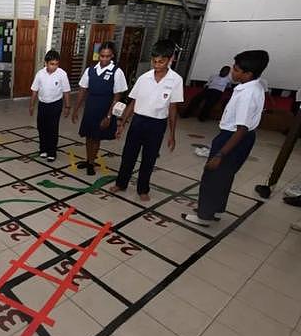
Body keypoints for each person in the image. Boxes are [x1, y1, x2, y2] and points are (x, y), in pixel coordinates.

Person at [183, 50, 270, 227]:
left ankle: (204, 215)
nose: (232, 71)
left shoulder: (247, 94)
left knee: (213, 177)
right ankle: (214, 209)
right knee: (224, 177)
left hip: (234, 138)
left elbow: (241, 128)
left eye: (236, 69)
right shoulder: (257, 86)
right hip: (240, 138)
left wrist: (220, 155)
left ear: (248, 74)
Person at [111, 40, 184, 201]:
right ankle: (121, 183)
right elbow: (133, 102)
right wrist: (122, 123)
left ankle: (143, 189)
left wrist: (172, 134)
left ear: (170, 59)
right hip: (138, 122)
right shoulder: (144, 78)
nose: (157, 65)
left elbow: (173, 108)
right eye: (154, 61)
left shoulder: (176, 80)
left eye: (161, 62)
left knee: (149, 158)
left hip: (157, 125)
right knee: (128, 155)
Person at [71, 41, 128, 175]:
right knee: (89, 136)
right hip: (91, 107)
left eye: (107, 56)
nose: (104, 59)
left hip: (104, 108)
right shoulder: (90, 70)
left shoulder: (117, 72)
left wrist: (109, 116)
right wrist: (76, 109)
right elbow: (82, 90)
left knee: (96, 137)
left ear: (112, 56)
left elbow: (117, 96)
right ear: (98, 55)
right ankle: (88, 159)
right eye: (102, 56)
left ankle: (91, 163)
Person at [29, 50, 71, 162]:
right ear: (46, 63)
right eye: (52, 64)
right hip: (43, 105)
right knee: (41, 127)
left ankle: (52, 152)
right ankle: (43, 149)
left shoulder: (62, 74)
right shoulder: (40, 74)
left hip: (56, 105)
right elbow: (34, 91)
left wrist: (67, 106)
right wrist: (32, 106)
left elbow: (66, 91)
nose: (54, 66)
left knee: (52, 128)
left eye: (56, 64)